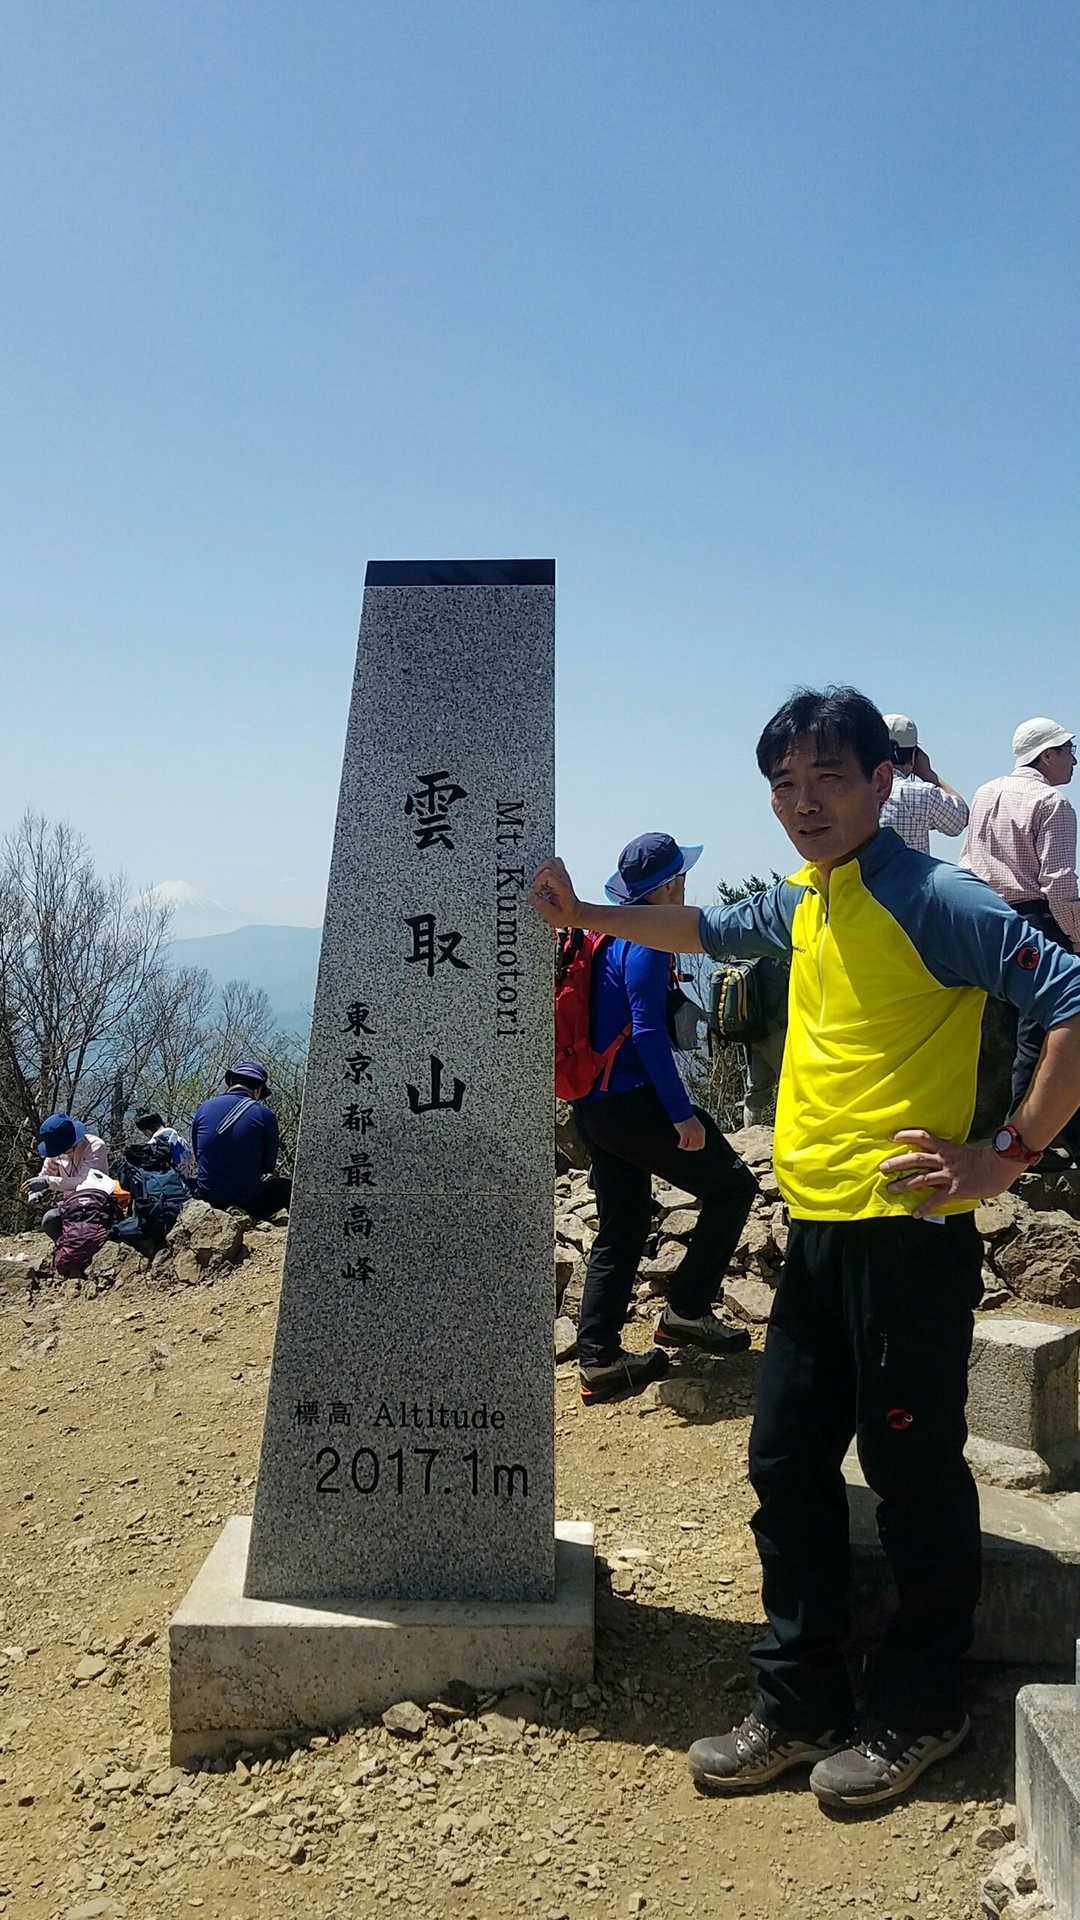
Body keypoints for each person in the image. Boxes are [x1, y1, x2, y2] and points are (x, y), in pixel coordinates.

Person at [532, 687, 1080, 1811]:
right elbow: (702, 930)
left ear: (883, 782)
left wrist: (1007, 1155)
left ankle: (921, 1706)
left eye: (829, 777)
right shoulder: (806, 900)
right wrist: (583, 912)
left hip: (907, 1241)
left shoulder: (932, 895)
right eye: (784, 784)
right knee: (784, 1465)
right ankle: (801, 1700)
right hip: (819, 1236)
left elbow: (1071, 993)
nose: (803, 802)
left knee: (912, 1478)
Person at [570, 833, 756, 1404]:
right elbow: (649, 1034)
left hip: (593, 1105)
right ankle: (686, 1311)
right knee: (733, 1189)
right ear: (671, 885)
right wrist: (682, 1117)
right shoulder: (648, 942)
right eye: (682, 878)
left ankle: (599, 1358)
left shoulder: (605, 936)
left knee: (623, 1224)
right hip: (635, 1104)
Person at [963, 717, 1080, 1161]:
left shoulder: (985, 792)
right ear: (1047, 755)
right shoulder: (1053, 803)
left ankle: (998, 1131)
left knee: (996, 1032)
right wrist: (1077, 936)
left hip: (986, 919)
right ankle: (1030, 1140)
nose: (1074, 760)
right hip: (1037, 920)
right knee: (1045, 1033)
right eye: (1068, 750)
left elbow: (969, 861)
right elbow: (1060, 885)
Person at [190, 1060, 291, 1217]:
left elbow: (198, 1155)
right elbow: (268, 1166)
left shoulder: (203, 1108)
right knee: (287, 1187)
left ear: (230, 1083)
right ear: (258, 1090)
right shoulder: (265, 1115)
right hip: (247, 1201)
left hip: (208, 1197)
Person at [879, 714, 968, 854]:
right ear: (914, 755)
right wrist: (928, 774)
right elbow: (961, 819)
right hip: (910, 869)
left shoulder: (859, 790)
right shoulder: (921, 794)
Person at [24, 1113, 110, 1243]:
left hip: (96, 1204)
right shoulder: (55, 1152)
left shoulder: (95, 1146)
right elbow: (46, 1174)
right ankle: (65, 1249)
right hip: (71, 1205)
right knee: (50, 1220)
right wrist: (36, 1191)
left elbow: (86, 1182)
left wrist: (47, 1182)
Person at [741, 956, 789, 1127]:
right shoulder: (780, 957)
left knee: (755, 1091)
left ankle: (750, 1134)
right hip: (777, 1032)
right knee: (791, 1084)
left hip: (750, 1032)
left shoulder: (745, 955)